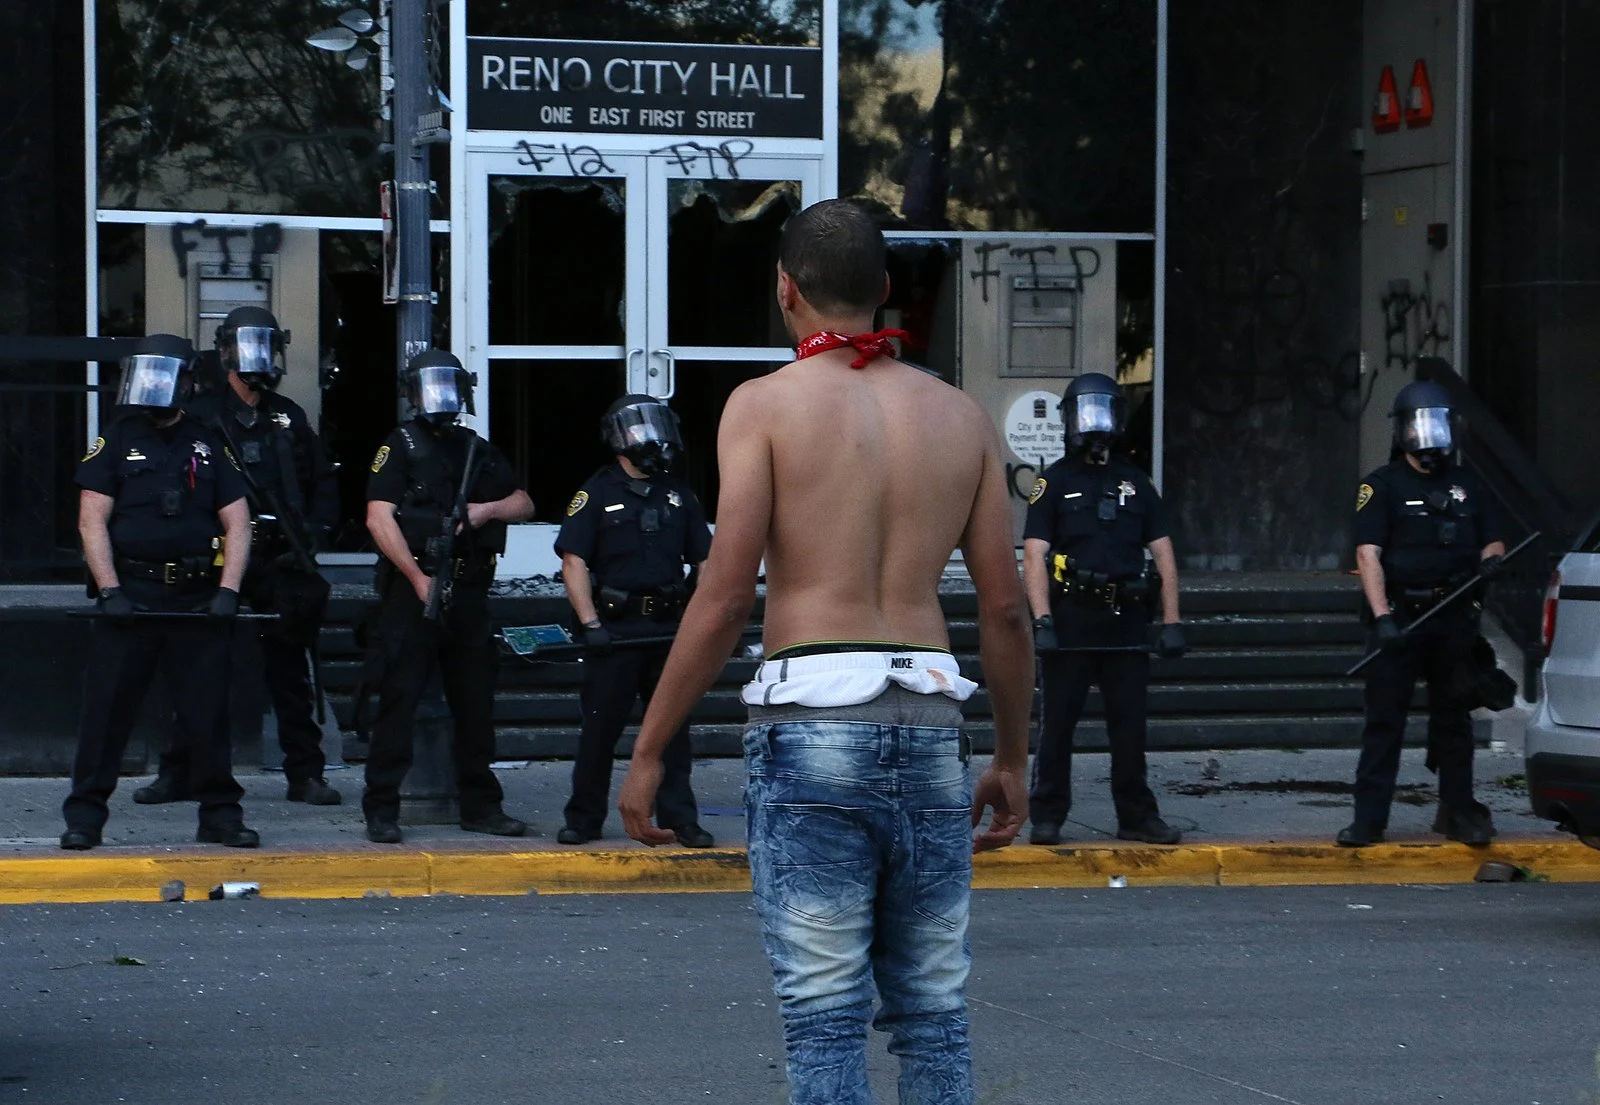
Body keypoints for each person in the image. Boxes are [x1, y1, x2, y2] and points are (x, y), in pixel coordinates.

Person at [615, 199, 1035, 1105]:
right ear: (885, 291)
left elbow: (726, 597)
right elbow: (1004, 610)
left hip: (811, 722)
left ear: (785, 289)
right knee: (932, 1010)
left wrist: (649, 750)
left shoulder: (762, 406)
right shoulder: (959, 415)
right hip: (928, 719)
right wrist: (1009, 754)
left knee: (824, 1014)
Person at [136, 306, 342, 807]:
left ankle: (305, 773)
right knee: (198, 668)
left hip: (279, 558)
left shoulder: (287, 415)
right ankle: (180, 770)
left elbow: (322, 482)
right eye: (248, 346)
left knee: (290, 671)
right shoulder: (202, 414)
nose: (259, 358)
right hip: (215, 558)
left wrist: (312, 534)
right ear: (225, 350)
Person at [61, 333, 259, 850]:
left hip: (196, 598)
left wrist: (228, 591)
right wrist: (109, 591)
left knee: (207, 713)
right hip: (132, 597)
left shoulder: (208, 440)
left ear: (188, 381)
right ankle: (85, 817)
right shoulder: (117, 437)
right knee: (106, 714)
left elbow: (239, 523)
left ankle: (220, 814)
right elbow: (90, 521)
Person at [361, 348, 535, 844]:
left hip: (468, 590)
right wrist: (418, 579)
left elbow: (524, 503)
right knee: (399, 700)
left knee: (474, 704)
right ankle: (382, 808)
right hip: (411, 588)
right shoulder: (400, 446)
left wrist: (484, 511)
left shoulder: (475, 448)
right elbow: (379, 517)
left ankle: (481, 805)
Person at [1021, 371, 1187, 847]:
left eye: (1103, 411)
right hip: (1071, 623)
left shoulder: (1136, 481)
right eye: (1085, 412)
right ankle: (1048, 815)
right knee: (1056, 730)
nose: (1095, 423)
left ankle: (1137, 816)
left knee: (1130, 731)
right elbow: (1034, 553)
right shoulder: (1054, 482)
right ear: (1070, 420)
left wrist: (1172, 620)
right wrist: (1042, 620)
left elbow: (1164, 551)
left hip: (1127, 624)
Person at [1338, 380, 1506, 847]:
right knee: (1384, 723)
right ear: (1403, 432)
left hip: (1453, 618)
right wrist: (1383, 617)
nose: (1427, 435)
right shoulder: (1382, 485)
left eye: (1437, 424)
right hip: (1401, 616)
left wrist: (1491, 560)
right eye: (1419, 425)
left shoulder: (1469, 485)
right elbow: (1368, 554)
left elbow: (1493, 538)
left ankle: (1459, 813)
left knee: (1454, 720)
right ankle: (1368, 820)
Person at [552, 395, 715, 848]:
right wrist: (589, 625)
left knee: (673, 732)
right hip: (616, 632)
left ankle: (681, 819)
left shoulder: (679, 494)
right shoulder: (597, 492)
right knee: (599, 732)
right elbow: (574, 561)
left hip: (668, 630)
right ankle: (583, 819)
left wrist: (701, 621)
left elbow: (704, 562)